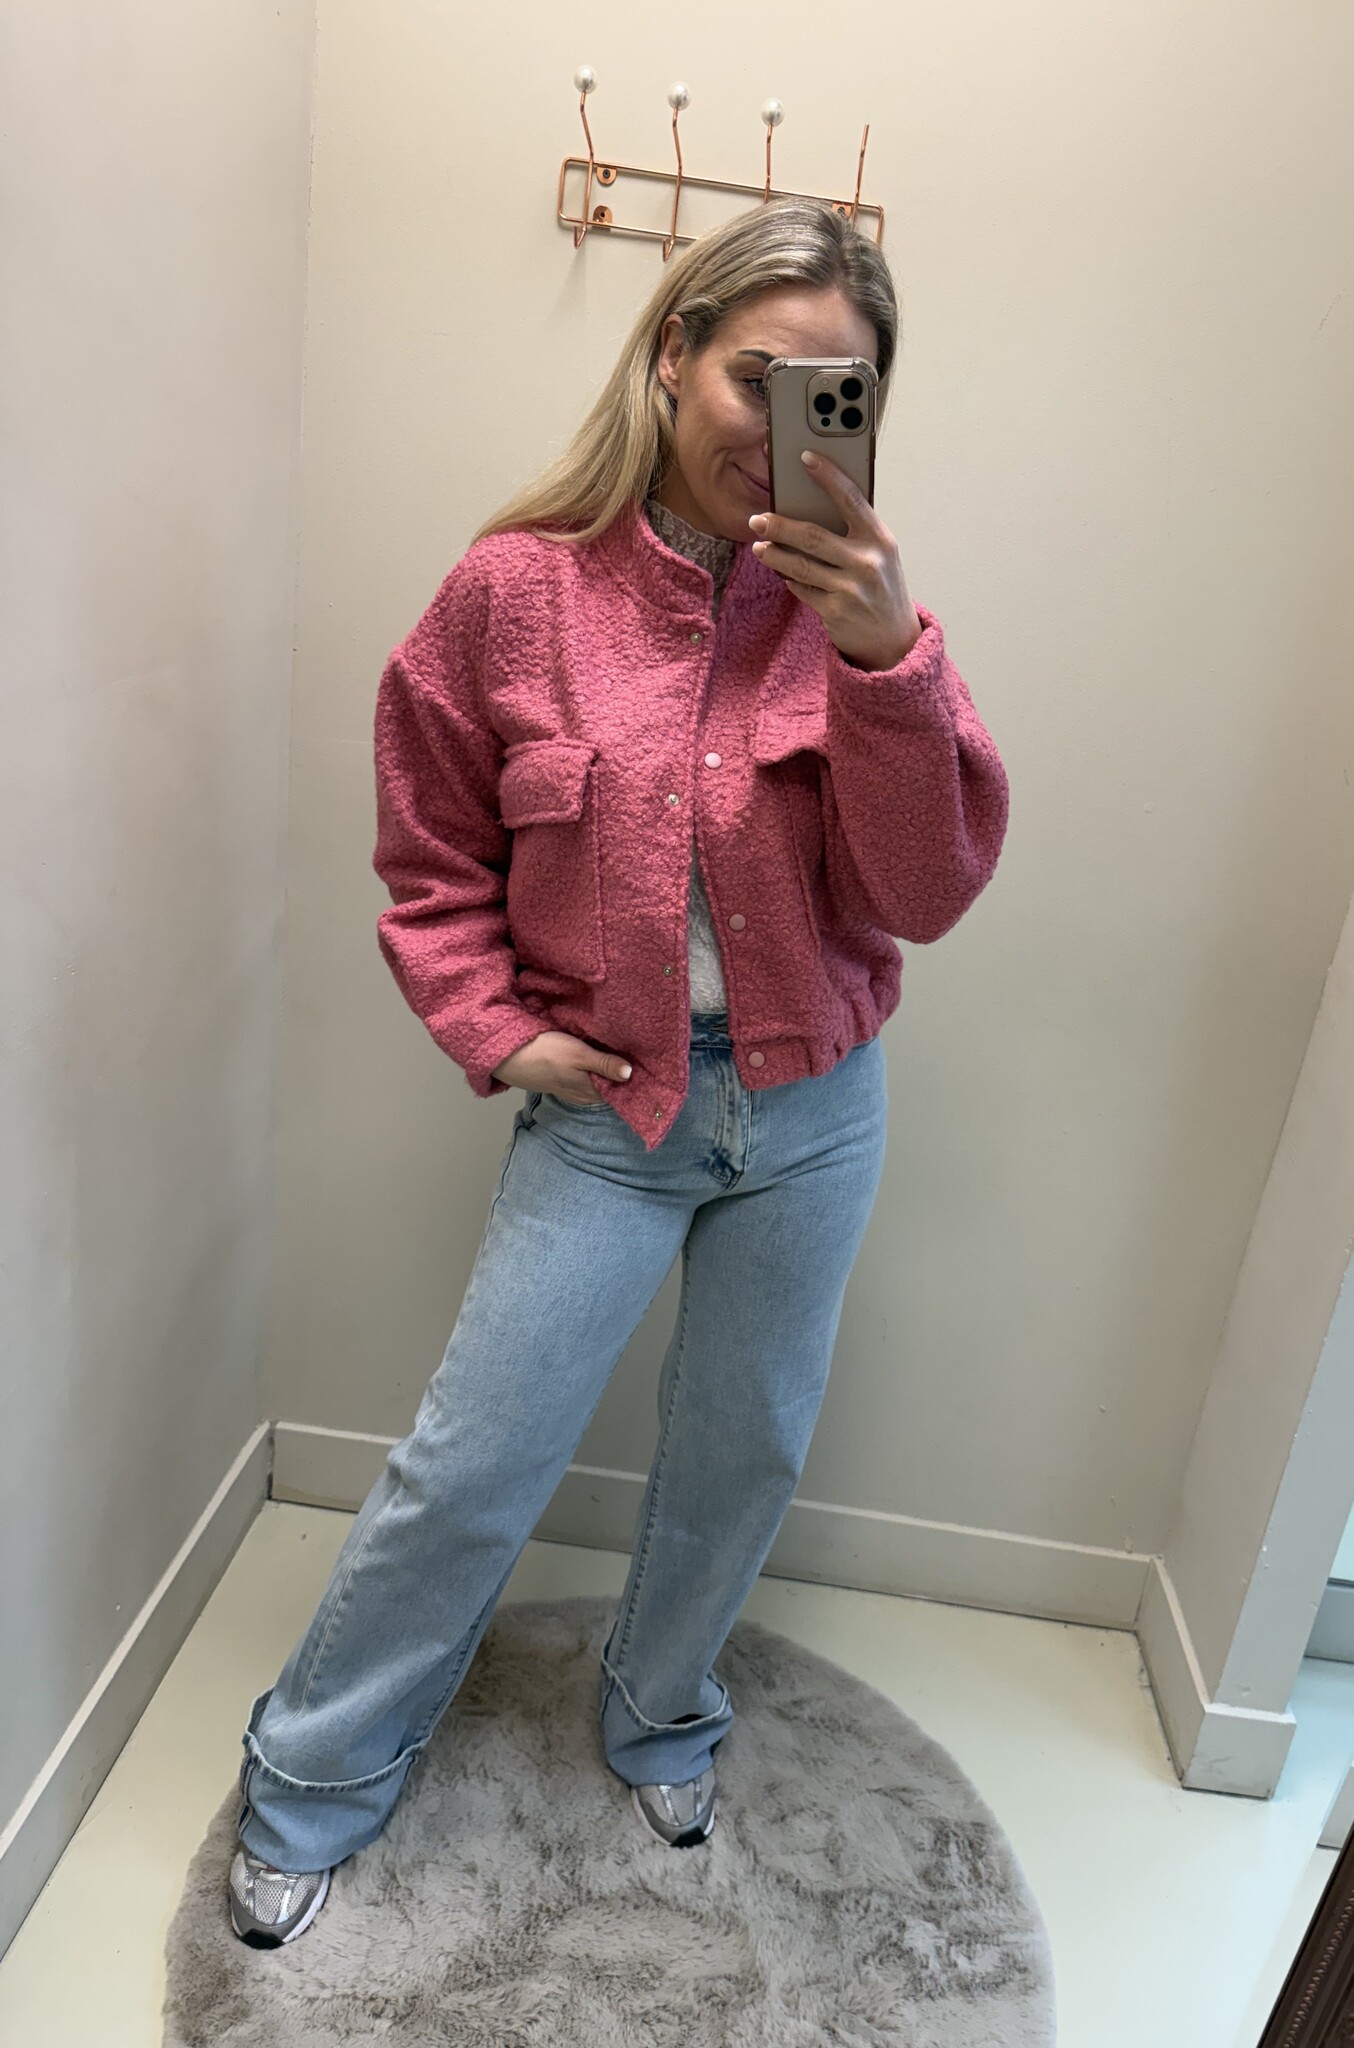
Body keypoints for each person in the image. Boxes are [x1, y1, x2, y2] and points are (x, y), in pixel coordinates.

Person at [228, 196, 1009, 1948]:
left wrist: (887, 665)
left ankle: (662, 1711)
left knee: (747, 1445)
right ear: (671, 356)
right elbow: (430, 856)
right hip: (609, 1117)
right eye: (756, 374)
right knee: (476, 1460)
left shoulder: (867, 624)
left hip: (815, 1111)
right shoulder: (516, 596)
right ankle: (312, 1777)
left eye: (834, 391)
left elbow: (925, 893)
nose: (780, 421)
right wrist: (495, 1028)